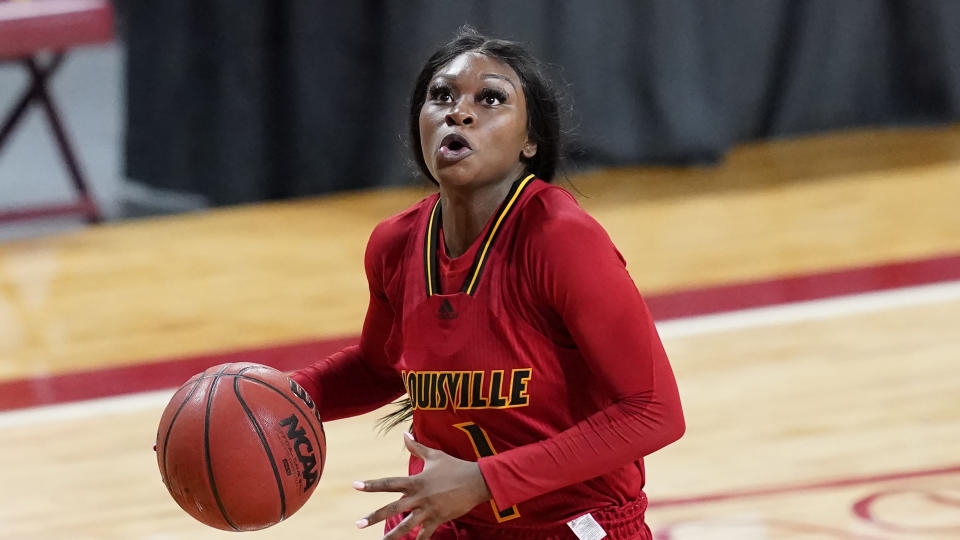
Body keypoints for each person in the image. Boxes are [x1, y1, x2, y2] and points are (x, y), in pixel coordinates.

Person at [290, 26, 685, 540]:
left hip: (571, 526)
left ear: (529, 141)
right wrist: (278, 395)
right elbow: (377, 366)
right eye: (441, 96)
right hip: (444, 523)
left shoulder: (560, 239)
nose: (459, 111)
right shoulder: (395, 243)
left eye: (491, 98)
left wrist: (483, 481)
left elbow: (654, 412)